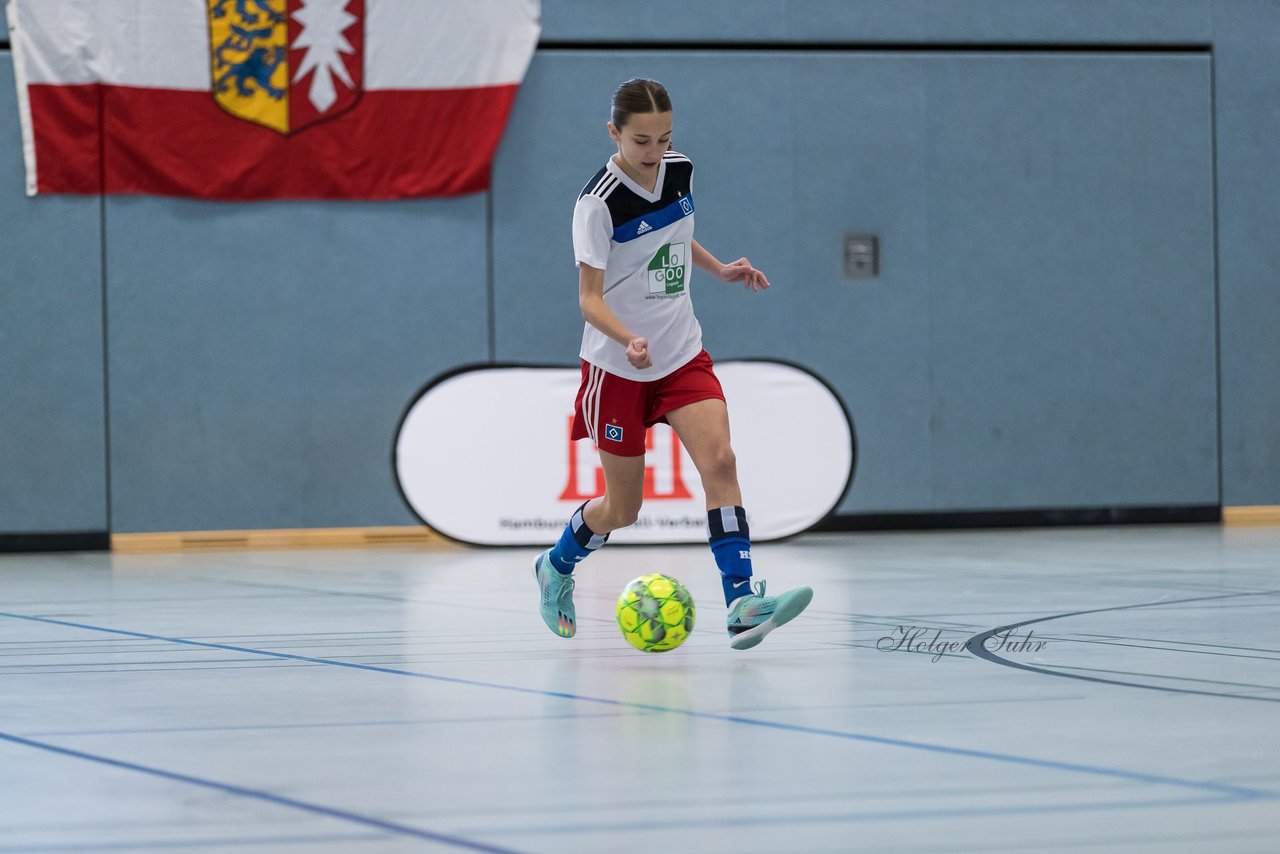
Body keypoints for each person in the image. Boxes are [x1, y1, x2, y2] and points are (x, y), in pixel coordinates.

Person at [533, 78, 813, 651]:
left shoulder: (680, 169)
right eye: (641, 140)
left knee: (721, 460)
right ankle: (556, 565)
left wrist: (719, 269)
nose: (655, 152)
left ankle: (741, 603)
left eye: (664, 138)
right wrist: (629, 338)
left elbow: (676, 237)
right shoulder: (597, 203)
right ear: (613, 132)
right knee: (623, 508)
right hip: (618, 368)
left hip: (681, 353)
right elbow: (589, 298)